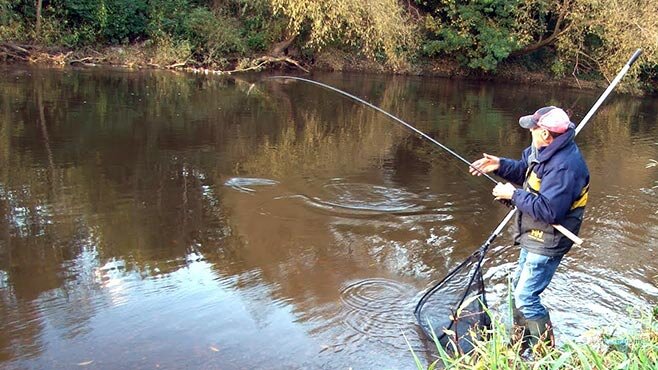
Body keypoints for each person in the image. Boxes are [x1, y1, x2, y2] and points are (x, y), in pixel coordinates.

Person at [468, 106, 590, 349]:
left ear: (545, 133)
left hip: (549, 238)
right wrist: (500, 165)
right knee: (518, 290)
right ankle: (521, 344)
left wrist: (512, 195)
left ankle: (546, 353)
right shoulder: (542, 149)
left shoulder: (565, 167)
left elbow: (550, 211)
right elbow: (526, 170)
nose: (529, 131)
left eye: (533, 128)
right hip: (533, 233)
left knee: (525, 297)